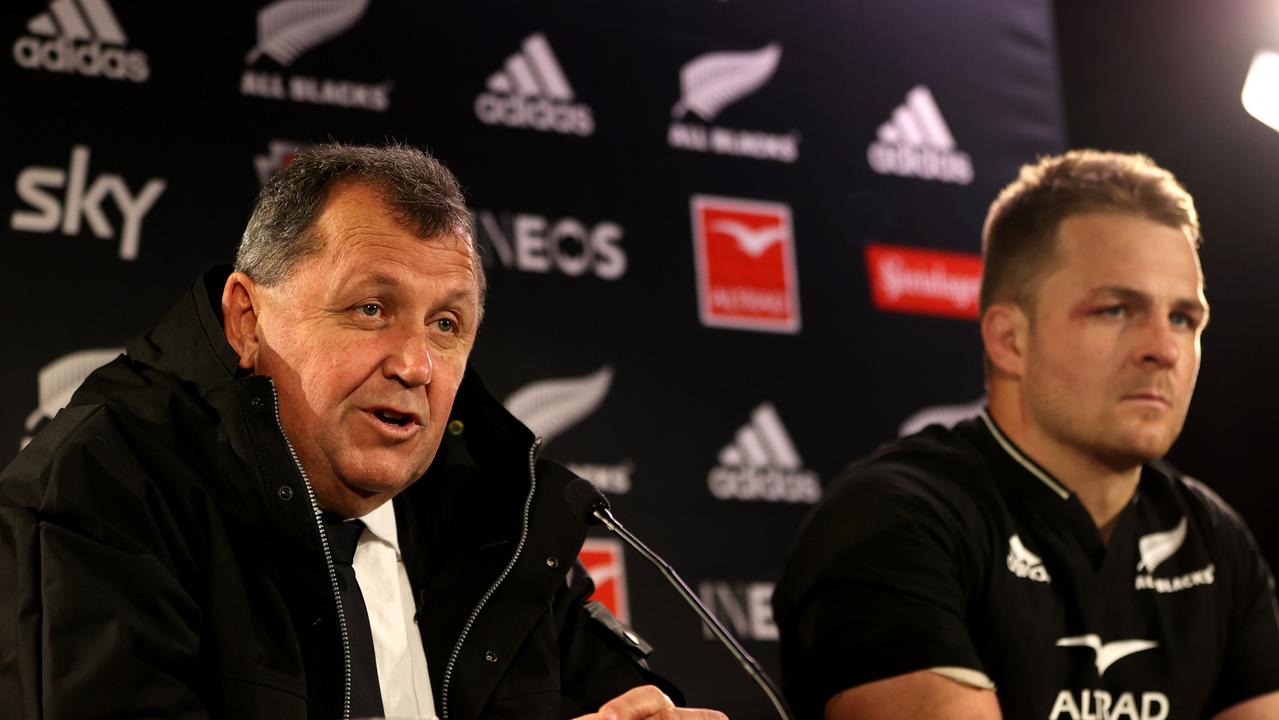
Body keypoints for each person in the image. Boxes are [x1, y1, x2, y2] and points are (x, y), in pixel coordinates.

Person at [0, 143, 724, 720]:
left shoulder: (497, 519)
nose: (414, 365)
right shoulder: (104, 487)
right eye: (370, 309)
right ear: (246, 321)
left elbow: (624, 699)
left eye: (446, 324)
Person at [773, 150, 1279, 719]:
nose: (1162, 349)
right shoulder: (894, 518)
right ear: (1009, 340)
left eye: (1184, 319)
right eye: (1115, 310)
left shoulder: (1213, 538)